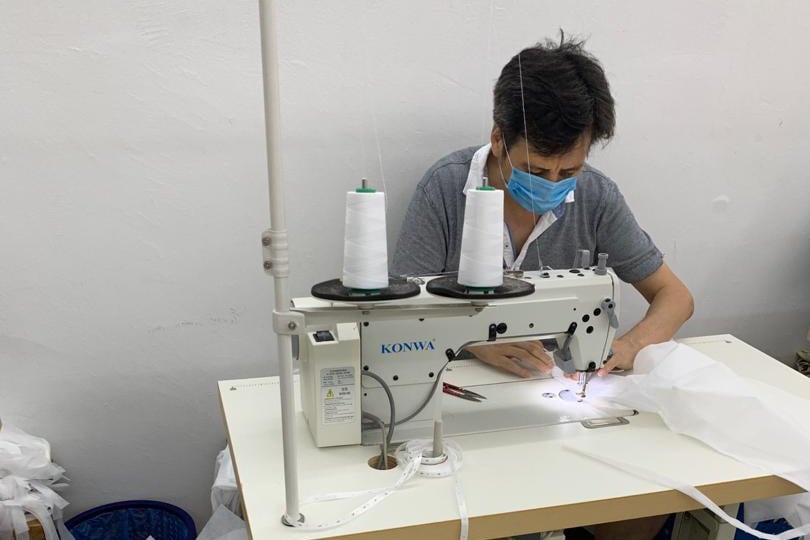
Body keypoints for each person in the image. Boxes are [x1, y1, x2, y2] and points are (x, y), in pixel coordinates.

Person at [391, 33, 694, 540]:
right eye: (536, 169)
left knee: (646, 503)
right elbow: (401, 315)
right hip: (468, 400)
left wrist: (625, 347)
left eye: (568, 170)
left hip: (557, 393)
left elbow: (675, 298)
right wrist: (476, 341)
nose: (553, 183)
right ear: (498, 139)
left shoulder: (595, 196)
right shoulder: (445, 190)